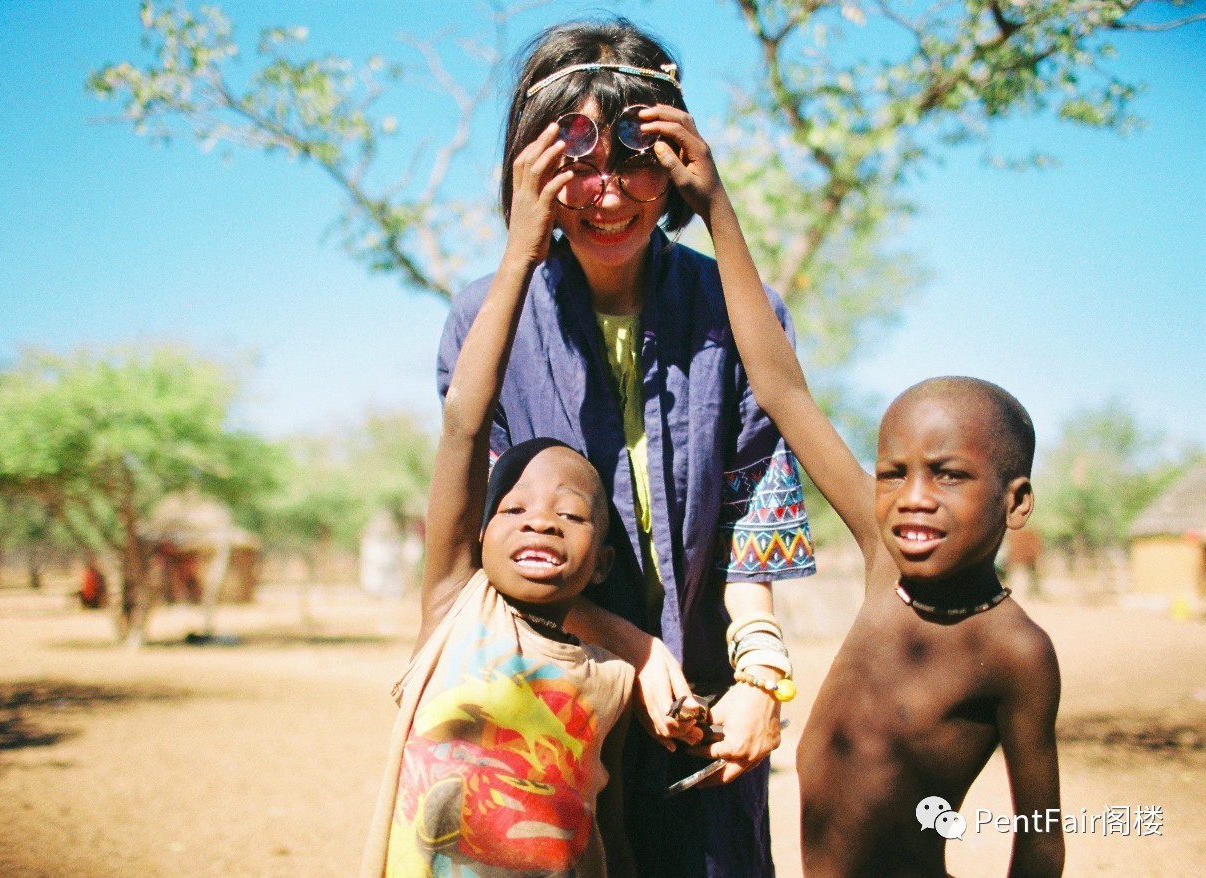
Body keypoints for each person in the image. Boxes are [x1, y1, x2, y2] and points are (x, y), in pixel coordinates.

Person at [436, 18, 816, 878]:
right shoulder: (482, 325)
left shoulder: (737, 310)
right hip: (550, 691)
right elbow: (486, 542)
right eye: (576, 160)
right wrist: (634, 650)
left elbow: (756, 493)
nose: (608, 194)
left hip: (707, 700)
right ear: (528, 168)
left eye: (638, 155)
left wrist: (760, 672)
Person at [699, 138, 1065, 875]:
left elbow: (1042, 833)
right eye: (893, 473)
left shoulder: (1015, 651)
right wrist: (713, 204)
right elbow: (782, 388)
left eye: (949, 475)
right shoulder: (881, 558)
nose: (913, 499)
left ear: (1015, 500)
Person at [361, 120, 635, 877]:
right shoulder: (454, 609)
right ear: (476, 538)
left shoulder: (613, 681)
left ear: (603, 561)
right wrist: (521, 254)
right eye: (511, 509)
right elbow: (462, 423)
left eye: (571, 513)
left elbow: (607, 835)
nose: (540, 517)